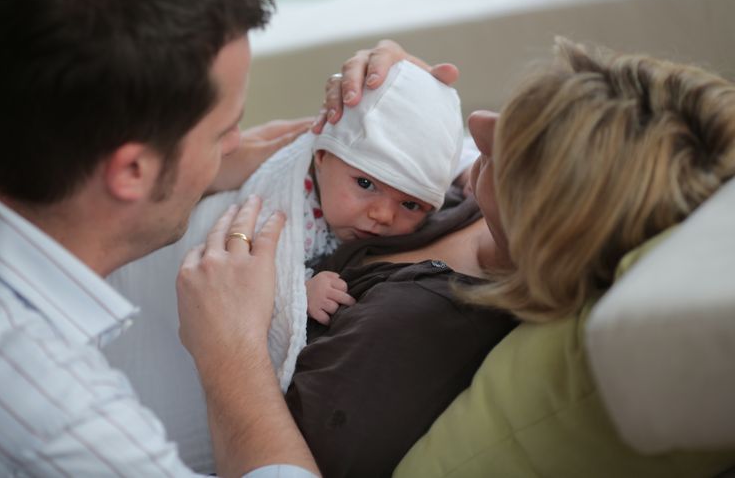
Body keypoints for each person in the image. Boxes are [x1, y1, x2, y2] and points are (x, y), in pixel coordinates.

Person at [0, 0, 318, 476]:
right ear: (131, 171)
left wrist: (193, 167)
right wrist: (234, 358)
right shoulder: (68, 426)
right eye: (221, 131)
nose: (235, 145)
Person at [285, 37, 735, 476]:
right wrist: (394, 92)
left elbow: (279, 464)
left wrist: (237, 340)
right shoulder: (484, 203)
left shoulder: (408, 332)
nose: (479, 123)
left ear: (545, 221)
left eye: (515, 149)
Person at [301, 59, 464, 323]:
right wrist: (300, 292)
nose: (383, 216)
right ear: (322, 156)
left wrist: (466, 171)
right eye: (366, 184)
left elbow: (447, 161)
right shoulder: (287, 208)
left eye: (410, 204)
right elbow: (238, 276)